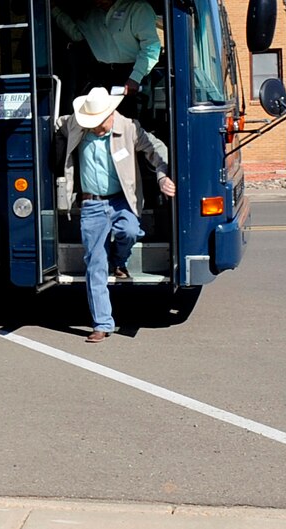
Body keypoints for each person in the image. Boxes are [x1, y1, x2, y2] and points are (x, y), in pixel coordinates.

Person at [55, 86, 175, 343]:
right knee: (95, 264)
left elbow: (157, 149)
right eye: (92, 122)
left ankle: (119, 260)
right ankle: (102, 323)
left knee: (130, 231)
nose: (96, 127)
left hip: (121, 200)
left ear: (112, 113)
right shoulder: (76, 124)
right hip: (91, 205)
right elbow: (55, 122)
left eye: (99, 122)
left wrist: (163, 175)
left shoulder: (129, 128)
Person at [51, 0, 161, 118]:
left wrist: (135, 77)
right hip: (103, 75)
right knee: (101, 122)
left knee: (132, 125)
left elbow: (151, 47)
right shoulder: (92, 14)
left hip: (133, 73)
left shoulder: (138, 9)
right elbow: (77, 34)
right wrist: (54, 10)